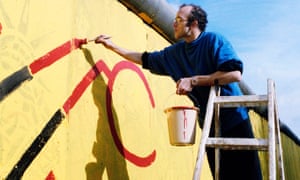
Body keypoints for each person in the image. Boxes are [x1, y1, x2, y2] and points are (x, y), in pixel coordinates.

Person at [95, 3, 262, 180]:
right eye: (174, 20)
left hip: (235, 119)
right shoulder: (175, 53)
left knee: (248, 176)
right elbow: (145, 59)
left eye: (179, 20)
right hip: (209, 125)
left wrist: (194, 80)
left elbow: (234, 74)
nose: (174, 23)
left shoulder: (214, 40)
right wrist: (111, 46)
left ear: (194, 23)